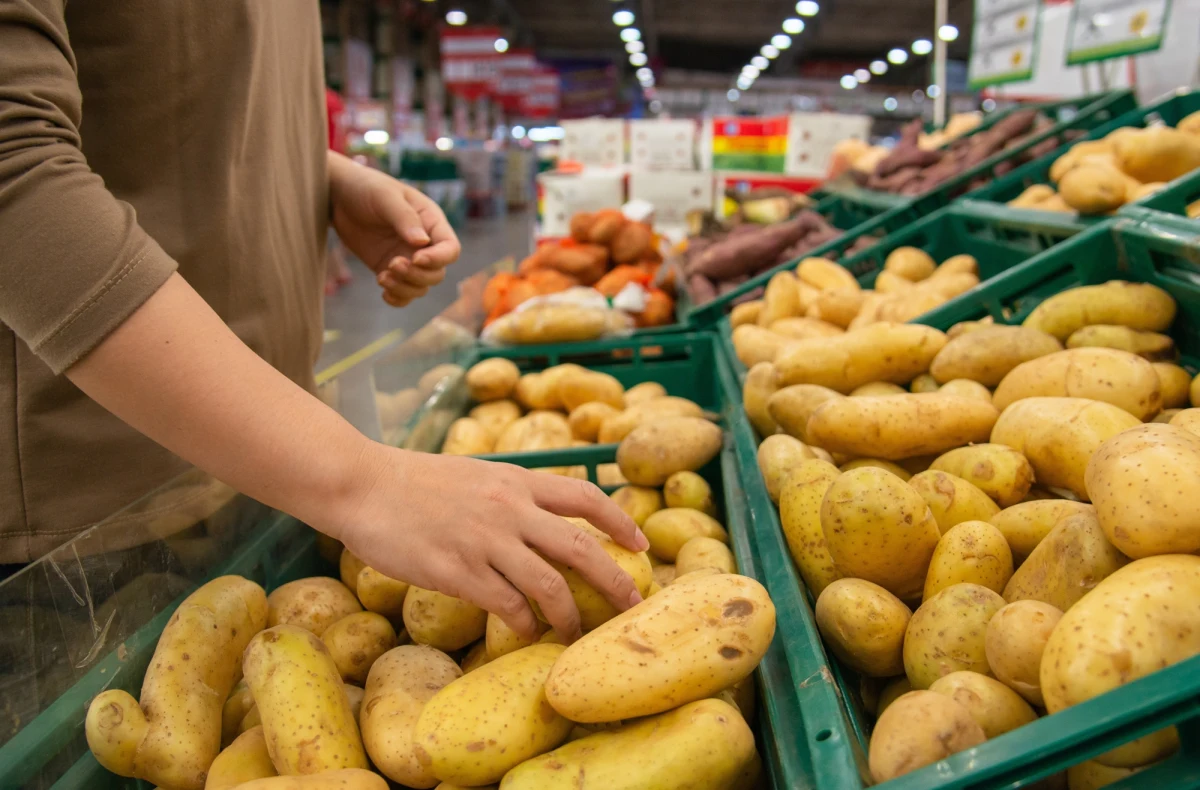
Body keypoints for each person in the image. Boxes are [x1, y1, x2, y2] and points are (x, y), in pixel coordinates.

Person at [0, 2, 644, 642]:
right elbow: (14, 165)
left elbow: (169, 89)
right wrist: (363, 482)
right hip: (82, 538)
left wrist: (319, 177)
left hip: (269, 465)